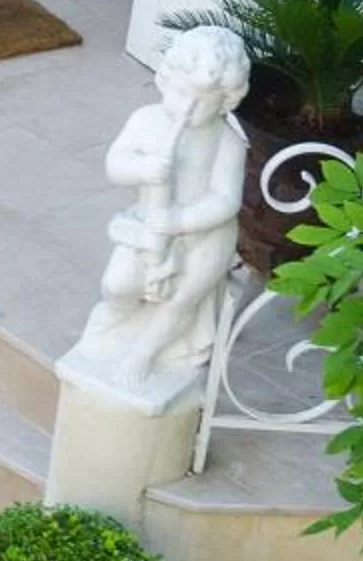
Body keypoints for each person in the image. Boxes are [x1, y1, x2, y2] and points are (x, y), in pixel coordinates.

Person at [66, 24, 251, 399]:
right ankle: (117, 318)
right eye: (182, 93)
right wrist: (144, 169)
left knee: (184, 296)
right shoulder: (147, 120)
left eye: (202, 100)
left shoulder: (227, 141)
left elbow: (225, 200)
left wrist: (179, 221)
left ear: (226, 100)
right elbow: (115, 163)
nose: (187, 107)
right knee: (117, 284)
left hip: (204, 235)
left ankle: (144, 352)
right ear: (166, 80)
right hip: (149, 222)